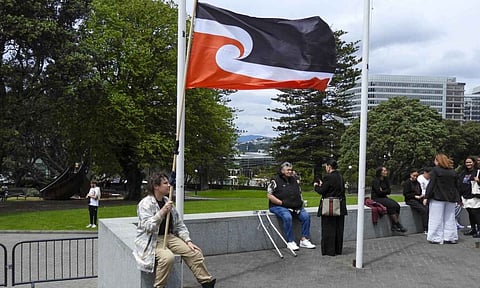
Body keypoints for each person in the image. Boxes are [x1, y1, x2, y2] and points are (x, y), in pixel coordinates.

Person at [133, 172, 216, 288]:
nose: (169, 185)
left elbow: (179, 225)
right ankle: (159, 286)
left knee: (195, 253)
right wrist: (162, 212)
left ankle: (206, 282)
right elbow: (148, 227)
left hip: (170, 236)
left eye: (168, 182)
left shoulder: (168, 201)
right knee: (167, 258)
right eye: (165, 183)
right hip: (153, 240)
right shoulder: (145, 204)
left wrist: (188, 241)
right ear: (156, 186)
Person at [267, 162, 316, 251]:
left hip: (295, 206)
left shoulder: (294, 180)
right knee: (287, 217)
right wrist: (281, 203)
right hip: (279, 206)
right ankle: (290, 241)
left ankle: (304, 239)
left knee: (306, 217)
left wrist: (301, 203)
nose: (290, 172)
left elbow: (299, 192)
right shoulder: (275, 180)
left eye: (291, 170)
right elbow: (270, 195)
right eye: (288, 170)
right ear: (282, 171)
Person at [424, 153, 460, 244]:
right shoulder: (453, 172)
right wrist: (459, 198)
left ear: (437, 161)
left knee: (435, 218)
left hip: (438, 197)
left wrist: (426, 197)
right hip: (451, 198)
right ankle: (450, 237)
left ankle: (436, 237)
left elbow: (431, 185)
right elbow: (457, 186)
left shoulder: (435, 171)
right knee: (450, 218)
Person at [314, 159, 347, 256]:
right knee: (338, 228)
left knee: (328, 228)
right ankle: (338, 249)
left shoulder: (328, 177)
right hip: (340, 206)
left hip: (330, 206)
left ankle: (329, 250)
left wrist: (316, 186)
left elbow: (323, 191)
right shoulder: (340, 177)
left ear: (329, 166)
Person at [371, 166, 407, 232]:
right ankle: (398, 224)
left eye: (386, 170)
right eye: (384, 171)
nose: (386, 172)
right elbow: (378, 192)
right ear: (380, 172)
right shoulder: (375, 181)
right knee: (391, 206)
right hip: (377, 198)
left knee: (397, 206)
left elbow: (389, 191)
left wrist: (383, 191)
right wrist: (384, 191)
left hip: (384, 197)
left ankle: (394, 225)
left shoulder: (386, 180)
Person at [458, 156, 480, 237]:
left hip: (475, 196)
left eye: (470, 162)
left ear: (474, 163)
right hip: (465, 196)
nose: (468, 164)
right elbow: (459, 184)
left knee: (476, 213)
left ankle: (479, 230)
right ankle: (473, 229)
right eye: (467, 162)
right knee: (470, 213)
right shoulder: (463, 173)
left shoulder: (478, 171)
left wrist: (478, 181)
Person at [403, 169, 428, 233]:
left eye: (416, 176)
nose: (415, 177)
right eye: (414, 176)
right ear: (410, 175)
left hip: (418, 198)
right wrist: (414, 196)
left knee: (426, 208)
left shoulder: (417, 183)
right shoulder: (407, 183)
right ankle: (425, 228)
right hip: (410, 199)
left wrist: (421, 196)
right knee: (423, 210)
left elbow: (419, 191)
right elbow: (406, 194)